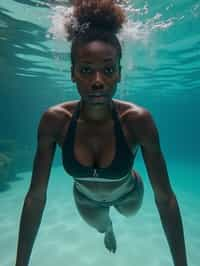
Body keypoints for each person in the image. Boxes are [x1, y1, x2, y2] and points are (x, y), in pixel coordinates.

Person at [15, 1, 188, 265]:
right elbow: (36, 197)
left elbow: (165, 199)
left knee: (129, 211)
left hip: (129, 193)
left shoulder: (137, 121)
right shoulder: (55, 121)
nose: (97, 80)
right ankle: (109, 230)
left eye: (108, 69)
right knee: (100, 225)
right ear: (72, 73)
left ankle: (124, 190)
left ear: (119, 73)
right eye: (86, 70)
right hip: (86, 198)